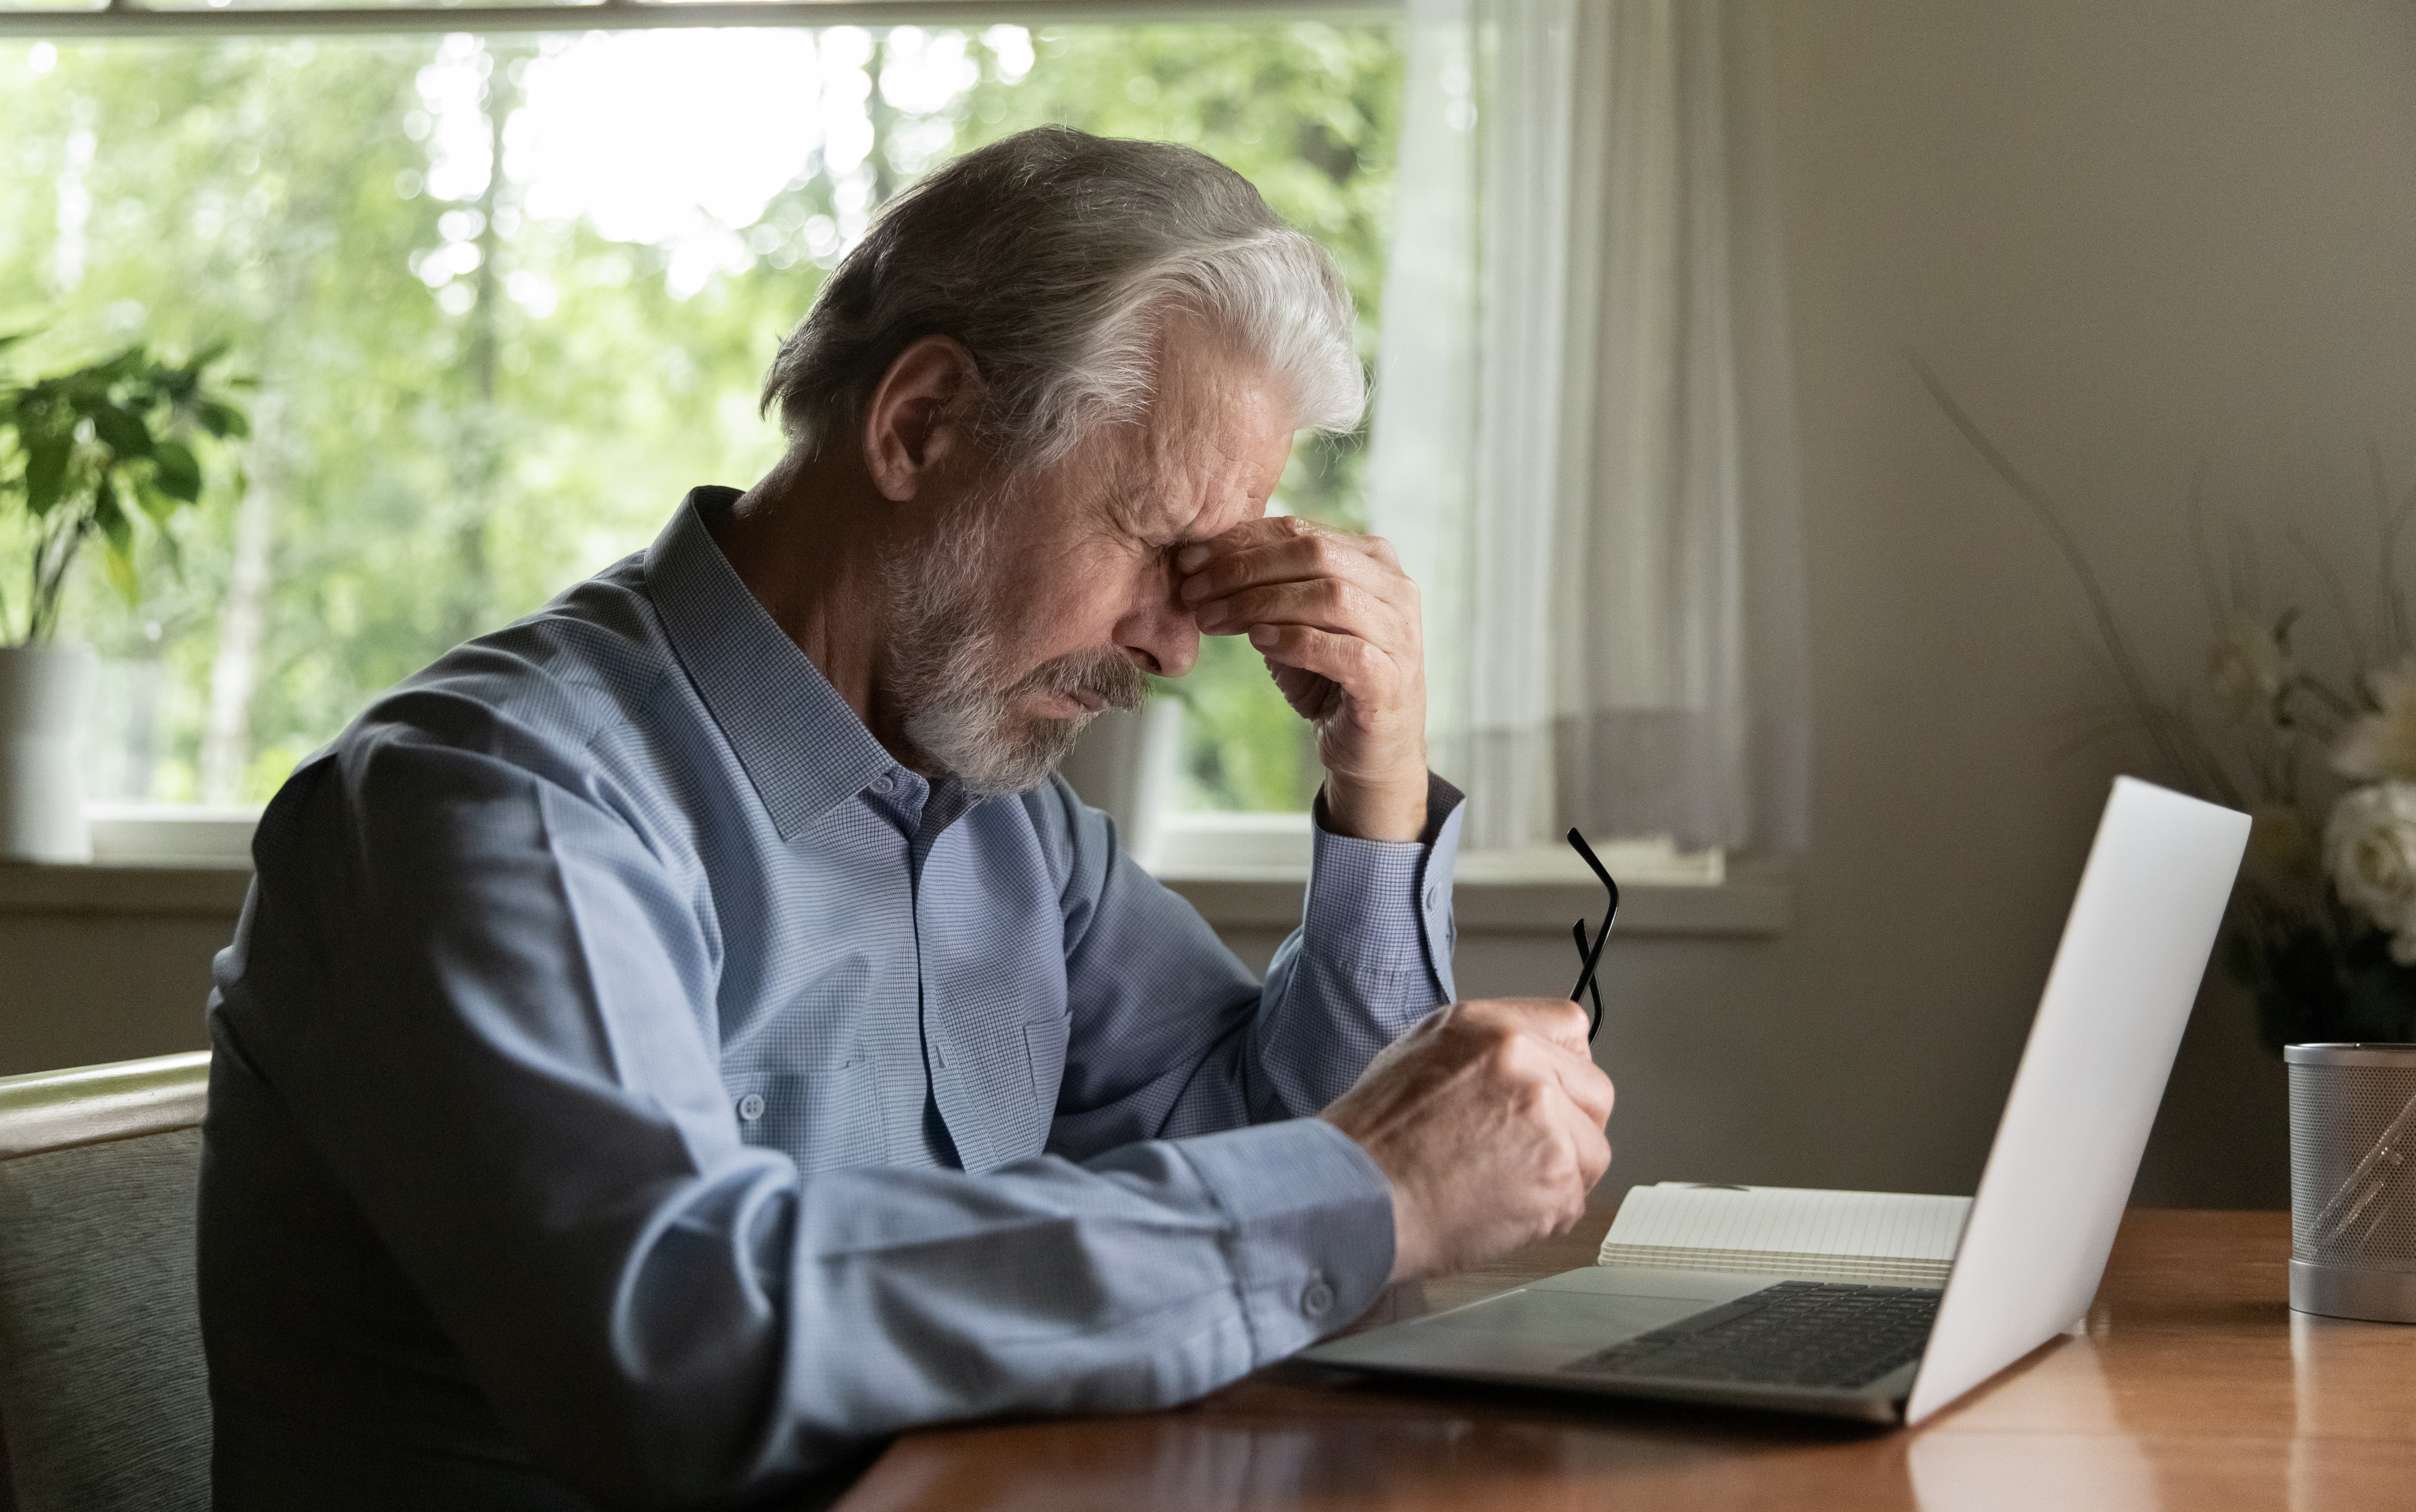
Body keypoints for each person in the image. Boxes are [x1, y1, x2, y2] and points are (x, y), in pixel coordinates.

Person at [197, 126, 1615, 1510]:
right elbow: (675, 1345)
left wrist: (1377, 787)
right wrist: (1370, 1185)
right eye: (1157, 545)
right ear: (920, 425)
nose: (1181, 649)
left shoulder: (1002, 821)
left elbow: (1305, 1194)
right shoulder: (500, 798)